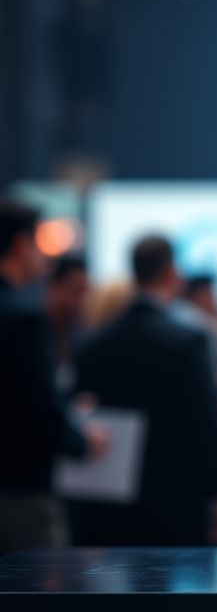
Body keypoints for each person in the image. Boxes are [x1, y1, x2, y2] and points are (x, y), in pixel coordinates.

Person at [72, 235, 217, 545]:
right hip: (177, 494)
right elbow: (205, 421)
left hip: (108, 495)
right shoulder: (188, 342)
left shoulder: (93, 344)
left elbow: (81, 412)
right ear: (172, 273)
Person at [0, 202, 105, 553]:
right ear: (19, 245)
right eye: (38, 245)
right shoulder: (24, 320)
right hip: (21, 490)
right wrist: (83, 442)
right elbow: (39, 409)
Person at [45, 254, 91, 392]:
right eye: (77, 292)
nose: (82, 302)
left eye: (85, 293)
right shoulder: (29, 335)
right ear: (55, 287)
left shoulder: (78, 336)